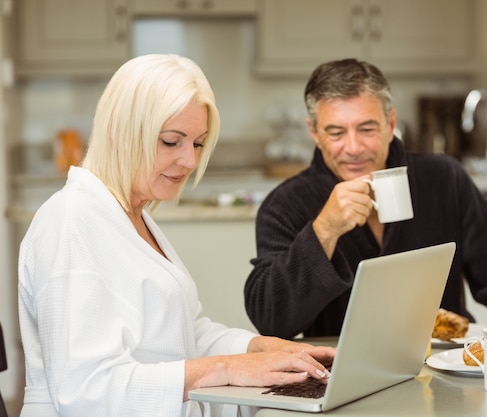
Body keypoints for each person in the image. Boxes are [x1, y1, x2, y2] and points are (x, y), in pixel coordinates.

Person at [17, 54, 334, 417]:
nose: (190, 161)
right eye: (171, 141)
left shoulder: (131, 216)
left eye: (197, 144)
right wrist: (227, 368)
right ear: (120, 131)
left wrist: (257, 349)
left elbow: (180, 333)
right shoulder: (70, 224)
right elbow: (86, 390)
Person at [244, 58, 487, 340]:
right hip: (338, 379)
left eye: (367, 128)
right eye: (336, 133)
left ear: (391, 124)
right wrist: (323, 231)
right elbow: (271, 320)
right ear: (314, 132)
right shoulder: (285, 205)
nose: (353, 148)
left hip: (441, 368)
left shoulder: (441, 178)